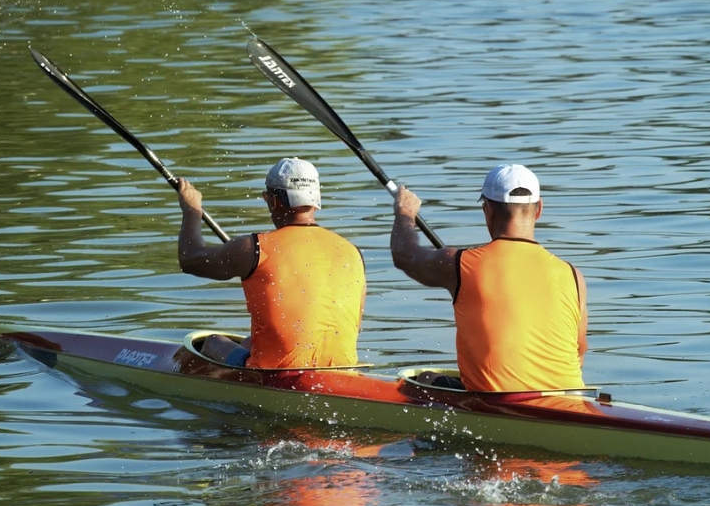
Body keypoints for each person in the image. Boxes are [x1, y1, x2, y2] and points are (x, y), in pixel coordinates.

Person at [390, 163, 587, 392]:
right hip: (569, 399)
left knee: (422, 380)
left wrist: (405, 214)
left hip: (500, 404)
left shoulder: (460, 263)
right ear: (539, 209)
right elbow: (579, 351)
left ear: (488, 211)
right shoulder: (573, 275)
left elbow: (404, 255)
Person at [176, 157, 366, 369]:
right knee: (249, 342)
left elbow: (189, 259)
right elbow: (352, 326)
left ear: (273, 201)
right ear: (315, 200)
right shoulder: (352, 252)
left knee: (211, 342)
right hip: (341, 370)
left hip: (276, 374)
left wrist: (192, 211)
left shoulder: (254, 248)